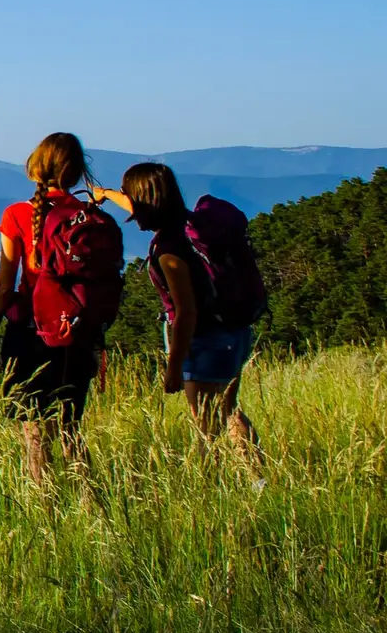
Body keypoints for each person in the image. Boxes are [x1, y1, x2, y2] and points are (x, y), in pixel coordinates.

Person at [93, 165, 264, 462]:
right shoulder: (193, 225)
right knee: (228, 410)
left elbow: (185, 312)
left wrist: (174, 368)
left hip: (204, 342)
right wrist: (106, 194)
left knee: (206, 429)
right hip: (234, 331)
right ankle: (259, 480)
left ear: (145, 203)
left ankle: (212, 491)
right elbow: (139, 202)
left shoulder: (169, 249)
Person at [0, 132, 105, 486]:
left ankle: (46, 513)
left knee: (34, 433)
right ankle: (93, 507)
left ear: (36, 166)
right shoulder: (87, 215)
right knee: (70, 429)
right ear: (77, 170)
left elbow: (5, 285)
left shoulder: (18, 214)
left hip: (31, 334)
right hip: (78, 333)